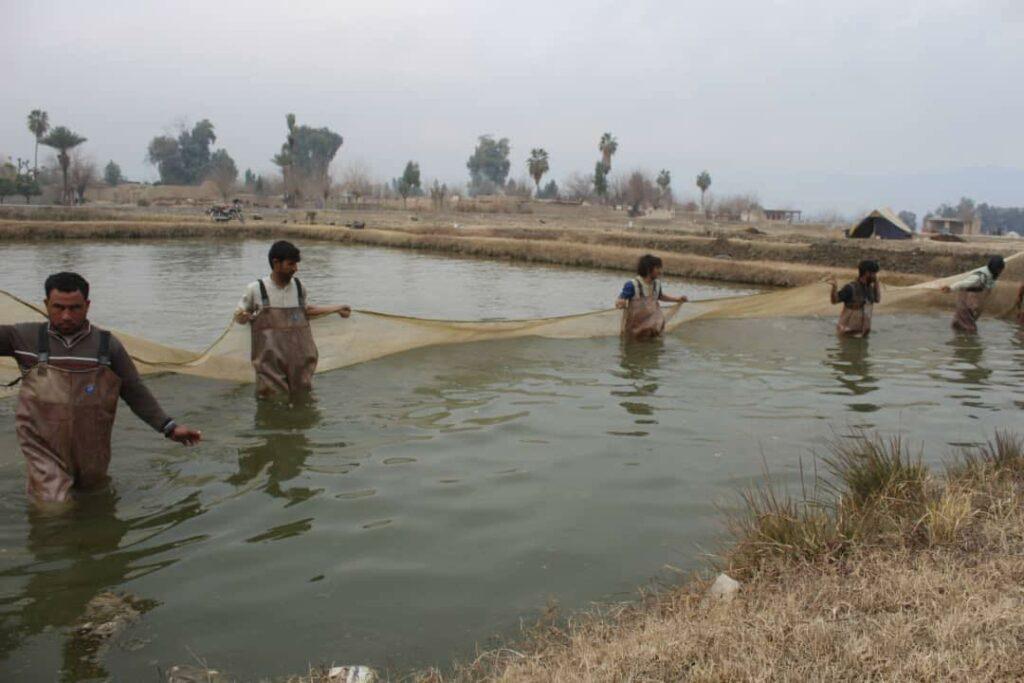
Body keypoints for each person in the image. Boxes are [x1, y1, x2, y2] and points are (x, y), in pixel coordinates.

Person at [0, 272, 201, 503]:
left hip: (92, 449)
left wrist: (169, 427)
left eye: (75, 308)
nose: (66, 315)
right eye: (58, 307)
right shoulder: (21, 337)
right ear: (46, 304)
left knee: (96, 502)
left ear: (87, 306)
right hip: (43, 449)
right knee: (53, 507)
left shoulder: (107, 346)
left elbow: (134, 390)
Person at [234, 241, 352, 396]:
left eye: (296, 264)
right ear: (276, 263)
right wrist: (243, 317)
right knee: (271, 402)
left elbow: (306, 312)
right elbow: (239, 317)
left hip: (300, 362)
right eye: (291, 264)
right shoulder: (255, 289)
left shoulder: (299, 287)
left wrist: (337, 308)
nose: (295, 269)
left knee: (303, 400)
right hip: (269, 365)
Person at [615, 254, 688, 339]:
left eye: (660, 268)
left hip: (653, 328)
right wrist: (620, 302)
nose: (660, 271)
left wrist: (677, 299)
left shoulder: (657, 284)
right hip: (635, 329)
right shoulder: (632, 284)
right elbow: (620, 300)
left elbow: (660, 296)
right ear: (648, 269)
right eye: (657, 268)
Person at [941, 256, 1006, 333]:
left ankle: (958, 339)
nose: (1000, 271)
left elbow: (987, 289)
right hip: (965, 301)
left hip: (972, 302)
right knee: (970, 329)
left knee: (961, 324)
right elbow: (963, 283)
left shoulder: (991, 274)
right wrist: (951, 288)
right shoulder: (979, 277)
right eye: (1000, 269)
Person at [826, 260, 880, 337]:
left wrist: (876, 283)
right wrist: (834, 288)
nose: (875, 276)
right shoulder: (851, 288)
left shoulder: (870, 289)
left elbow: (877, 299)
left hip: (863, 335)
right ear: (867, 273)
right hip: (847, 335)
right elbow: (834, 301)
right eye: (874, 273)